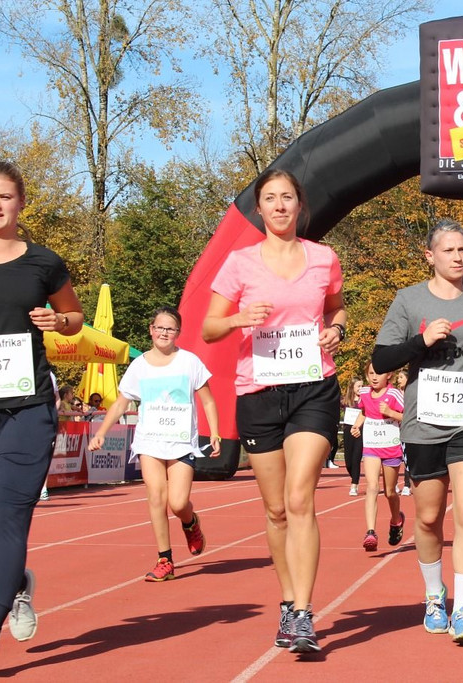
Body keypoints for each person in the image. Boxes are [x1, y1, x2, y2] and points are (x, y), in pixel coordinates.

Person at [202, 168, 346, 654]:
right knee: (277, 509)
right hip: (259, 393)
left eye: (287, 197)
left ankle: (303, 613)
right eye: (270, 198)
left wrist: (336, 330)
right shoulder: (239, 263)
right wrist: (239, 318)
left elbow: (336, 308)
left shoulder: (323, 258)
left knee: (300, 496)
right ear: (259, 208)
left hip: (313, 387)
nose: (280, 206)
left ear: (299, 205)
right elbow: (208, 329)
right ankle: (287, 601)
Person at [0, 160, 85, 670]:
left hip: (28, 408)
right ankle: (18, 581)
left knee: (9, 514)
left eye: (5, 197)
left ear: (21, 203)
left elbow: (75, 318)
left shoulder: (43, 262)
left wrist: (58, 320)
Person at [371, 218, 463, 644]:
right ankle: (435, 596)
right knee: (429, 517)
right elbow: (381, 359)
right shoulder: (409, 300)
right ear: (430, 256)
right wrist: (422, 341)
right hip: (424, 423)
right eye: (448, 250)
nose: (457, 257)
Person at [89, 307, 221, 581]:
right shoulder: (139, 366)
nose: (164, 333)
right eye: (159, 327)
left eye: (170, 329)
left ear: (178, 333)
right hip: (149, 441)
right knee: (156, 498)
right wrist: (101, 431)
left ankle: (190, 522)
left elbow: (208, 401)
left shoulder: (189, 362)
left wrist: (215, 433)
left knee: (178, 502)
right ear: (151, 330)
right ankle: (165, 559)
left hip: (181, 442)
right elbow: (121, 403)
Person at [350, 362, 405, 551]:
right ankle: (370, 532)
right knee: (372, 487)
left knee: (390, 492)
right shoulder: (365, 393)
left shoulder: (394, 394)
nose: (374, 377)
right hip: (371, 446)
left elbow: (408, 417)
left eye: (378, 373)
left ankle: (396, 520)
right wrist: (356, 425)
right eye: (371, 373)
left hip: (391, 447)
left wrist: (390, 413)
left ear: (388, 375)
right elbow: (364, 412)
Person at [342, 377, 364, 496]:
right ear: (352, 387)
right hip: (348, 431)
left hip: (360, 432)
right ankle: (354, 476)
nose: (361, 388)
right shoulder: (346, 401)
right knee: (348, 462)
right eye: (358, 386)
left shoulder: (365, 400)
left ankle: (354, 484)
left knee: (356, 458)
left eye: (362, 386)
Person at [396, 369, 413, 496]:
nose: (398, 380)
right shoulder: (395, 393)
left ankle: (407, 484)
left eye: (401, 377)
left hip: (408, 429)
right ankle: (393, 483)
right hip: (394, 429)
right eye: (398, 377)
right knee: (394, 457)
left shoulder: (412, 393)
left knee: (408, 457)